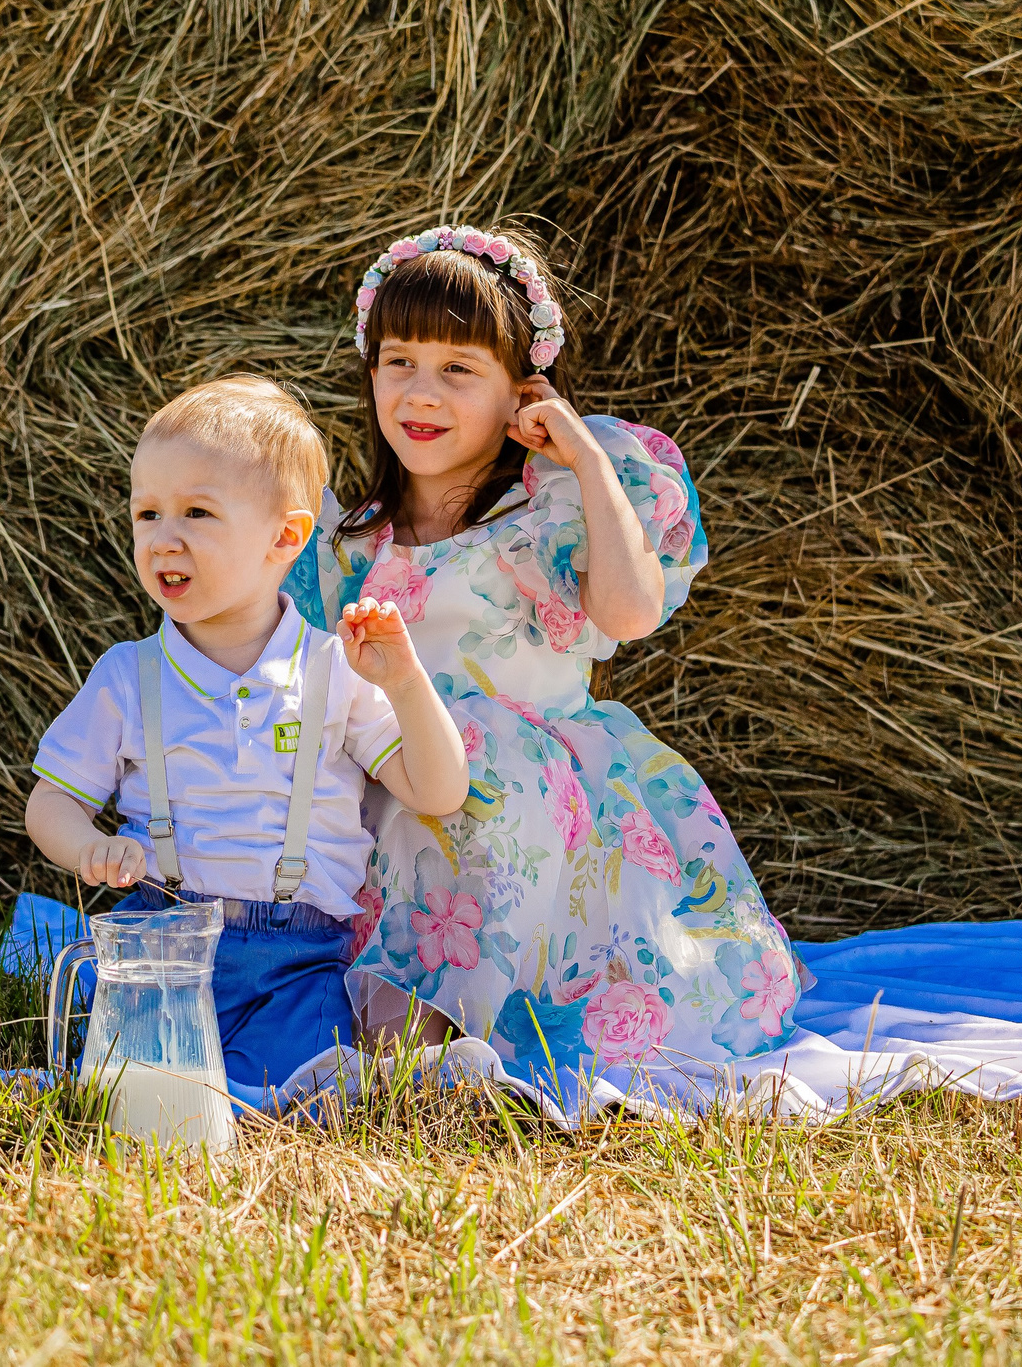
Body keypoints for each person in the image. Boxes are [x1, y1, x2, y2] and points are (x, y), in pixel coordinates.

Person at [291, 224, 807, 1092]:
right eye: (398, 361)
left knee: (487, 794)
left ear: (520, 390)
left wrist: (585, 457)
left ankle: (462, 1028)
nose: (422, 391)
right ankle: (390, 1029)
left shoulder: (551, 508)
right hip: (399, 764)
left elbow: (631, 611)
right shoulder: (353, 541)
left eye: (459, 369)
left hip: (542, 786)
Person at [24, 375, 468, 1092]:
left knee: (289, 1095)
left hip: (296, 962)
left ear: (286, 537)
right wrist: (89, 846)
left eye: (197, 512)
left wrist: (406, 679)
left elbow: (441, 789)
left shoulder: (331, 670)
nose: (163, 537)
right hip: (161, 943)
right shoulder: (129, 675)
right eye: (146, 513)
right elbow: (49, 803)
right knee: (134, 1101)